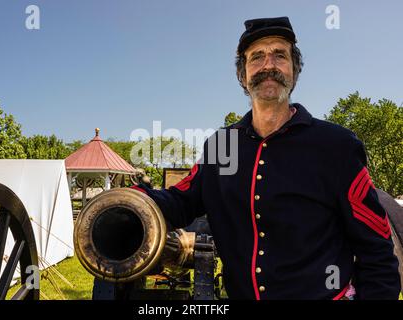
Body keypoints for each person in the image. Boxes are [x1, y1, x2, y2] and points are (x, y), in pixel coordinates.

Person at [131, 17, 401, 299]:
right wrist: (130, 197)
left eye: (279, 55)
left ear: (294, 71)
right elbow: (181, 201)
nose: (268, 65)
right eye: (256, 57)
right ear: (243, 75)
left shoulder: (337, 146)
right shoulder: (224, 145)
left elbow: (376, 250)